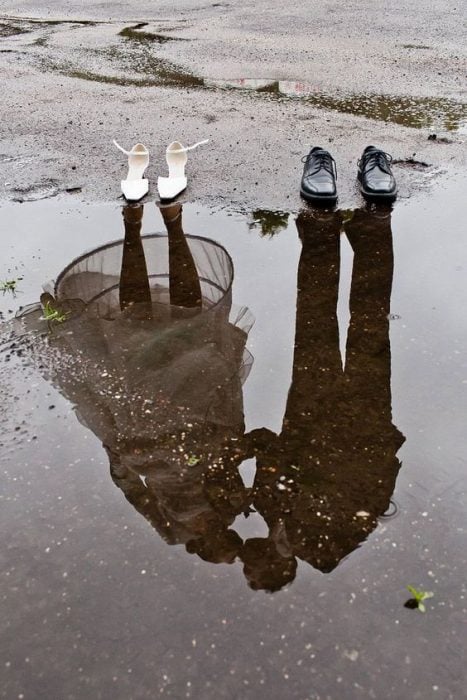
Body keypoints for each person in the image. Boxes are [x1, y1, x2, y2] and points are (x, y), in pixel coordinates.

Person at [241, 205, 405, 588]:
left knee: (314, 316)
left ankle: (321, 230)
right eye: (253, 558)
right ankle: (371, 229)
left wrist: (236, 453)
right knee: (369, 323)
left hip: (310, 408)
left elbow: (269, 445)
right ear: (273, 563)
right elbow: (368, 497)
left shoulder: (266, 507)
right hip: (360, 425)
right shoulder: (324, 551)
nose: (249, 548)